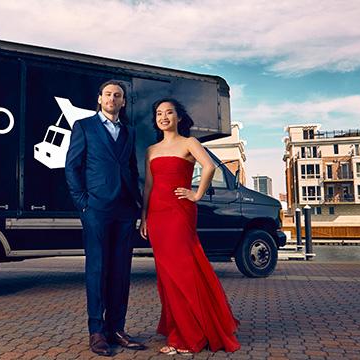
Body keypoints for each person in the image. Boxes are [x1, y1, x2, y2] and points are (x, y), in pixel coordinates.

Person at [139, 98, 241, 355]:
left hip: (179, 212)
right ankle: (179, 329)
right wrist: (144, 215)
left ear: (179, 117)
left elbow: (208, 166)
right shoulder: (151, 150)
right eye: (159, 113)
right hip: (157, 214)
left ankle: (190, 335)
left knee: (183, 271)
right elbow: (148, 186)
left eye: (169, 112)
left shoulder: (189, 143)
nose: (164, 117)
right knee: (166, 276)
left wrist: (197, 194)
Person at [65, 80, 145, 356]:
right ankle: (97, 331)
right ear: (99, 99)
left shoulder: (129, 132)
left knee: (121, 271)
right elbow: (72, 167)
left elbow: (132, 169)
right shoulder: (84, 127)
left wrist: (137, 203)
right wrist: (83, 204)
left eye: (118, 95)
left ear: (123, 102)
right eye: (108, 94)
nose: (113, 98)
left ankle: (117, 328)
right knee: (98, 269)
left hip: (124, 210)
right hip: (96, 209)